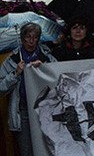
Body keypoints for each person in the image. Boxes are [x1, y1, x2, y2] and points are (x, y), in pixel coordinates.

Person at [0, 23, 57, 156]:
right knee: (26, 151)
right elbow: (1, 88)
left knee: (47, 149)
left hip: (45, 109)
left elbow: (58, 77)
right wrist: (15, 74)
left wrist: (45, 68)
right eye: (28, 37)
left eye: (35, 37)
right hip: (23, 111)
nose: (31, 41)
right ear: (22, 38)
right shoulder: (12, 60)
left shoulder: (46, 56)